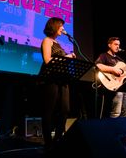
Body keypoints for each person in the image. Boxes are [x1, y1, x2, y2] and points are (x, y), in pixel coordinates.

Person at [38, 17, 76, 151]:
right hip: (50, 78)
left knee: (65, 109)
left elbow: (60, 61)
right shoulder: (47, 41)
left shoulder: (58, 44)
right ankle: (48, 143)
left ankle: (58, 139)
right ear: (54, 26)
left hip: (62, 78)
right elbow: (48, 60)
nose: (63, 29)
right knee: (48, 110)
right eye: (61, 26)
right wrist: (67, 57)